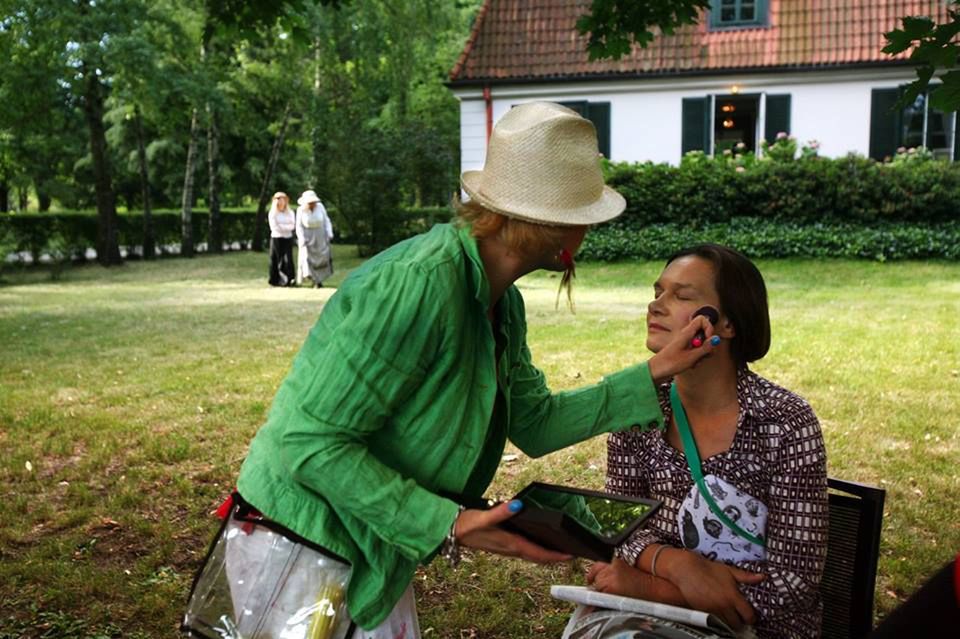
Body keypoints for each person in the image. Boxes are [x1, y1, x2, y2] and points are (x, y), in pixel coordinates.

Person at [197, 103, 722, 639]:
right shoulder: (422, 283)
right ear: (552, 225)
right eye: (585, 214)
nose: (589, 229)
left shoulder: (501, 304)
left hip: (369, 535)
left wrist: (657, 370)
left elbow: (535, 423)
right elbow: (309, 443)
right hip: (301, 538)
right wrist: (448, 524)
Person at [581, 244, 829, 639]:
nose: (656, 305)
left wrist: (652, 587)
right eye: (657, 291)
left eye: (681, 296)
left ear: (726, 323)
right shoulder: (639, 408)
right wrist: (678, 566)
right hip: (644, 619)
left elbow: (793, 585)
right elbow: (617, 520)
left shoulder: (784, 422)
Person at [296, 189, 334, 288]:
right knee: (308, 257)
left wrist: (329, 232)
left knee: (321, 257)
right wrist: (301, 238)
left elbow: (326, 220)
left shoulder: (320, 207)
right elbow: (298, 226)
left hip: (320, 235)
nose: (312, 204)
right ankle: (312, 278)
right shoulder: (300, 210)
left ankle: (319, 280)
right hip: (308, 236)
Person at [267, 191, 296, 286]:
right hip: (277, 238)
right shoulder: (273, 213)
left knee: (288, 259)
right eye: (278, 199)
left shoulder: (290, 212)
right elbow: (274, 227)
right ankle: (276, 280)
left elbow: (292, 225)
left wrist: (283, 226)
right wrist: (284, 227)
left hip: (287, 238)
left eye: (283, 199)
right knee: (276, 259)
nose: (281, 201)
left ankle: (289, 279)